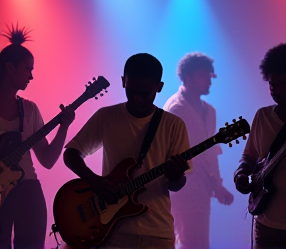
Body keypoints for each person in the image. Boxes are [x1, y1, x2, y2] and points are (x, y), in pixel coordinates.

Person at [63, 53, 191, 249]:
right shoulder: (106, 116)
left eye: (145, 93)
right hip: (112, 232)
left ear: (160, 87)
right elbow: (71, 153)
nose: (137, 99)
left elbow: (176, 185)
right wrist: (96, 182)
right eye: (131, 91)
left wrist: (176, 176)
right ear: (123, 81)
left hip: (157, 231)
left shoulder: (174, 125)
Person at [0, 24, 75, 249]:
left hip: (28, 189)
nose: (31, 76)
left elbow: (48, 160)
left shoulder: (30, 110)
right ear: (10, 68)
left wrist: (64, 126)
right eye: (27, 69)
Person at [163, 52, 234, 249]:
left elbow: (210, 152)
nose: (209, 81)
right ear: (187, 77)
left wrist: (216, 185)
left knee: (199, 242)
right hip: (182, 188)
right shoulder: (175, 109)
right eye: (204, 76)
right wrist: (216, 186)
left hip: (202, 190)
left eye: (210, 76)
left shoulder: (209, 111)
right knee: (189, 242)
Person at [234, 43, 286, 249]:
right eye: (272, 85)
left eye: (284, 84)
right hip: (265, 223)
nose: (276, 90)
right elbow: (248, 156)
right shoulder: (262, 116)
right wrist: (241, 174)